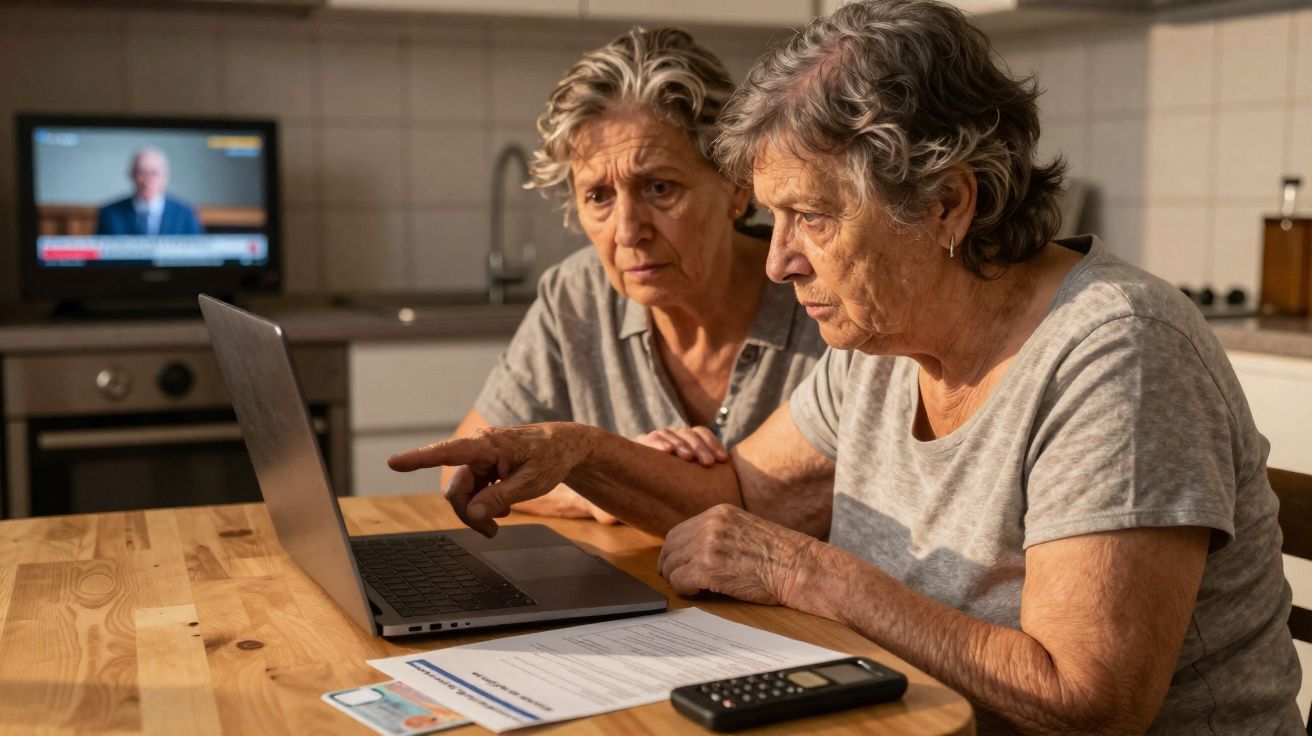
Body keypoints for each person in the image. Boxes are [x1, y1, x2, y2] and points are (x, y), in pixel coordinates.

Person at [390, 1, 1302, 732]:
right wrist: (580, 452)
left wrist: (814, 575)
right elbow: (739, 499)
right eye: (776, 217)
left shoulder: (1117, 349)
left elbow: (1087, 702)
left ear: (946, 204)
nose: (779, 262)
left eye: (812, 218)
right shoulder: (882, 338)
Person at [443, 28, 827, 523]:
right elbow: (462, 467)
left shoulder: (822, 294)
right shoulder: (576, 297)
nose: (627, 232)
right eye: (599, 196)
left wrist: (617, 472)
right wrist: (602, 487)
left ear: (736, 185)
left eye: (659, 187)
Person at [96, 147, 203, 236]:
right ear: (132, 175)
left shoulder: (185, 214)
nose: (147, 180)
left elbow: (199, 252)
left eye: (154, 173)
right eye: (141, 173)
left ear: (166, 176)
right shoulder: (110, 214)